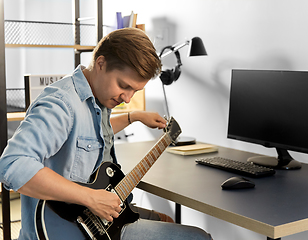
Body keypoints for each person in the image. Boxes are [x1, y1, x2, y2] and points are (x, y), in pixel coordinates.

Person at [0, 28, 212, 240]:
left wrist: (134, 116)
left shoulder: (96, 97)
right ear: (100, 64)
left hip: (102, 220)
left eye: (135, 91)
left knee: (165, 219)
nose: (127, 98)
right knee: (199, 237)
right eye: (124, 86)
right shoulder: (60, 103)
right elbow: (13, 164)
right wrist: (90, 198)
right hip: (70, 228)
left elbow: (88, 133)